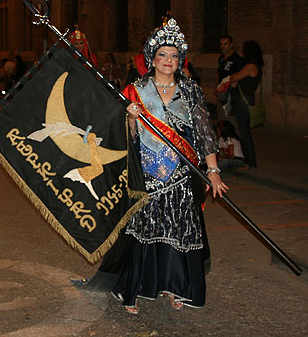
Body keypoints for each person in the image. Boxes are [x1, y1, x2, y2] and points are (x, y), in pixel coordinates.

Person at [87, 17, 228, 314]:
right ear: (151, 58)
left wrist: (213, 171)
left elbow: (204, 133)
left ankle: (177, 286)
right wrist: (131, 119)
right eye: (163, 54)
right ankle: (133, 288)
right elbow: (122, 138)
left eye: (175, 55)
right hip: (147, 175)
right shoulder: (135, 90)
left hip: (180, 174)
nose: (169, 60)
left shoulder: (190, 91)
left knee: (180, 231)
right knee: (143, 231)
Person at [224, 40, 263, 170]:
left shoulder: (251, 66)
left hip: (243, 101)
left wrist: (233, 78)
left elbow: (234, 77)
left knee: (244, 132)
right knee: (244, 131)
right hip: (245, 99)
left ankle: (250, 162)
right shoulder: (255, 66)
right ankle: (248, 161)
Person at [216, 35, 245, 117]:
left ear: (231, 45)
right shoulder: (221, 59)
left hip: (232, 95)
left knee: (231, 117)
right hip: (221, 92)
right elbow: (219, 74)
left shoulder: (237, 60)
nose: (223, 46)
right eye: (221, 44)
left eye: (225, 44)